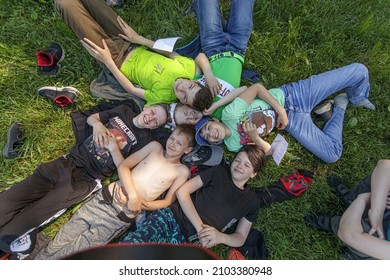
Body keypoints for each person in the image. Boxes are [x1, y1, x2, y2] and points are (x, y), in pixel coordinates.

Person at [0, 101, 168, 256]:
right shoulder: (125, 111)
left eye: (156, 122)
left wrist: (113, 149)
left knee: (35, 215)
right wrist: (97, 125)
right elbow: (93, 118)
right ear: (147, 107)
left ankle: (9, 244)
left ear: (155, 128)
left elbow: (124, 168)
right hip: (68, 161)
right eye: (153, 112)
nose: (151, 118)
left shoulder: (145, 141)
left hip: (86, 179)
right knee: (10, 198)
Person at [33, 125, 195, 260]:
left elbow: (167, 201)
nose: (172, 144)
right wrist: (132, 195)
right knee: (58, 242)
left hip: (119, 217)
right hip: (103, 201)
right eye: (172, 138)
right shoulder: (155, 147)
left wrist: (142, 203)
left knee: (73, 254)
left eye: (179, 143)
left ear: (187, 150)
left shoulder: (181, 171)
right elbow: (124, 166)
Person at [195, 63, 375, 163]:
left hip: (292, 96)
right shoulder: (233, 145)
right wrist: (255, 138)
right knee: (332, 154)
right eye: (207, 137)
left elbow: (256, 88)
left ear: (215, 121)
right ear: (214, 142)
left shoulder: (229, 114)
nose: (209, 133)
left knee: (359, 71)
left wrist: (280, 110)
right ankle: (340, 105)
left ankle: (357, 97)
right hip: (294, 122)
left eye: (207, 127)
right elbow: (268, 151)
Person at [54, 0, 216, 111]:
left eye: (184, 96)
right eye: (190, 87)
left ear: (182, 103)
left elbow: (131, 89)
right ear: (195, 82)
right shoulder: (189, 70)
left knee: (64, 3)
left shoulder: (163, 96)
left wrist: (108, 62)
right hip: (130, 41)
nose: (182, 88)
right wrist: (138, 38)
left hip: (116, 58)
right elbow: (195, 56)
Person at [117, 145, 265, 250]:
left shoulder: (252, 202)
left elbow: (240, 237)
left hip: (191, 244)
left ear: (253, 173)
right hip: (171, 219)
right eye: (238, 160)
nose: (240, 165)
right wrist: (200, 228)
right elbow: (182, 192)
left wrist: (221, 237)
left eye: (247, 165)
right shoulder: (219, 172)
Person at [178, 0, 255, 119]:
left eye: (191, 86)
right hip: (238, 47)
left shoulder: (195, 83)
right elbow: (244, 89)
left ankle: (197, 7)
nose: (184, 89)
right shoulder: (217, 112)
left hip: (213, 46)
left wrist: (208, 75)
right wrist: (216, 105)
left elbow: (199, 57)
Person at [305, 159, 390, 259]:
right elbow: (385, 166)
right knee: (381, 186)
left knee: (364, 231)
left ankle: (334, 223)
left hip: (379, 243)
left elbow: (349, 234)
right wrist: (377, 210)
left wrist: (363, 199)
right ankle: (350, 200)